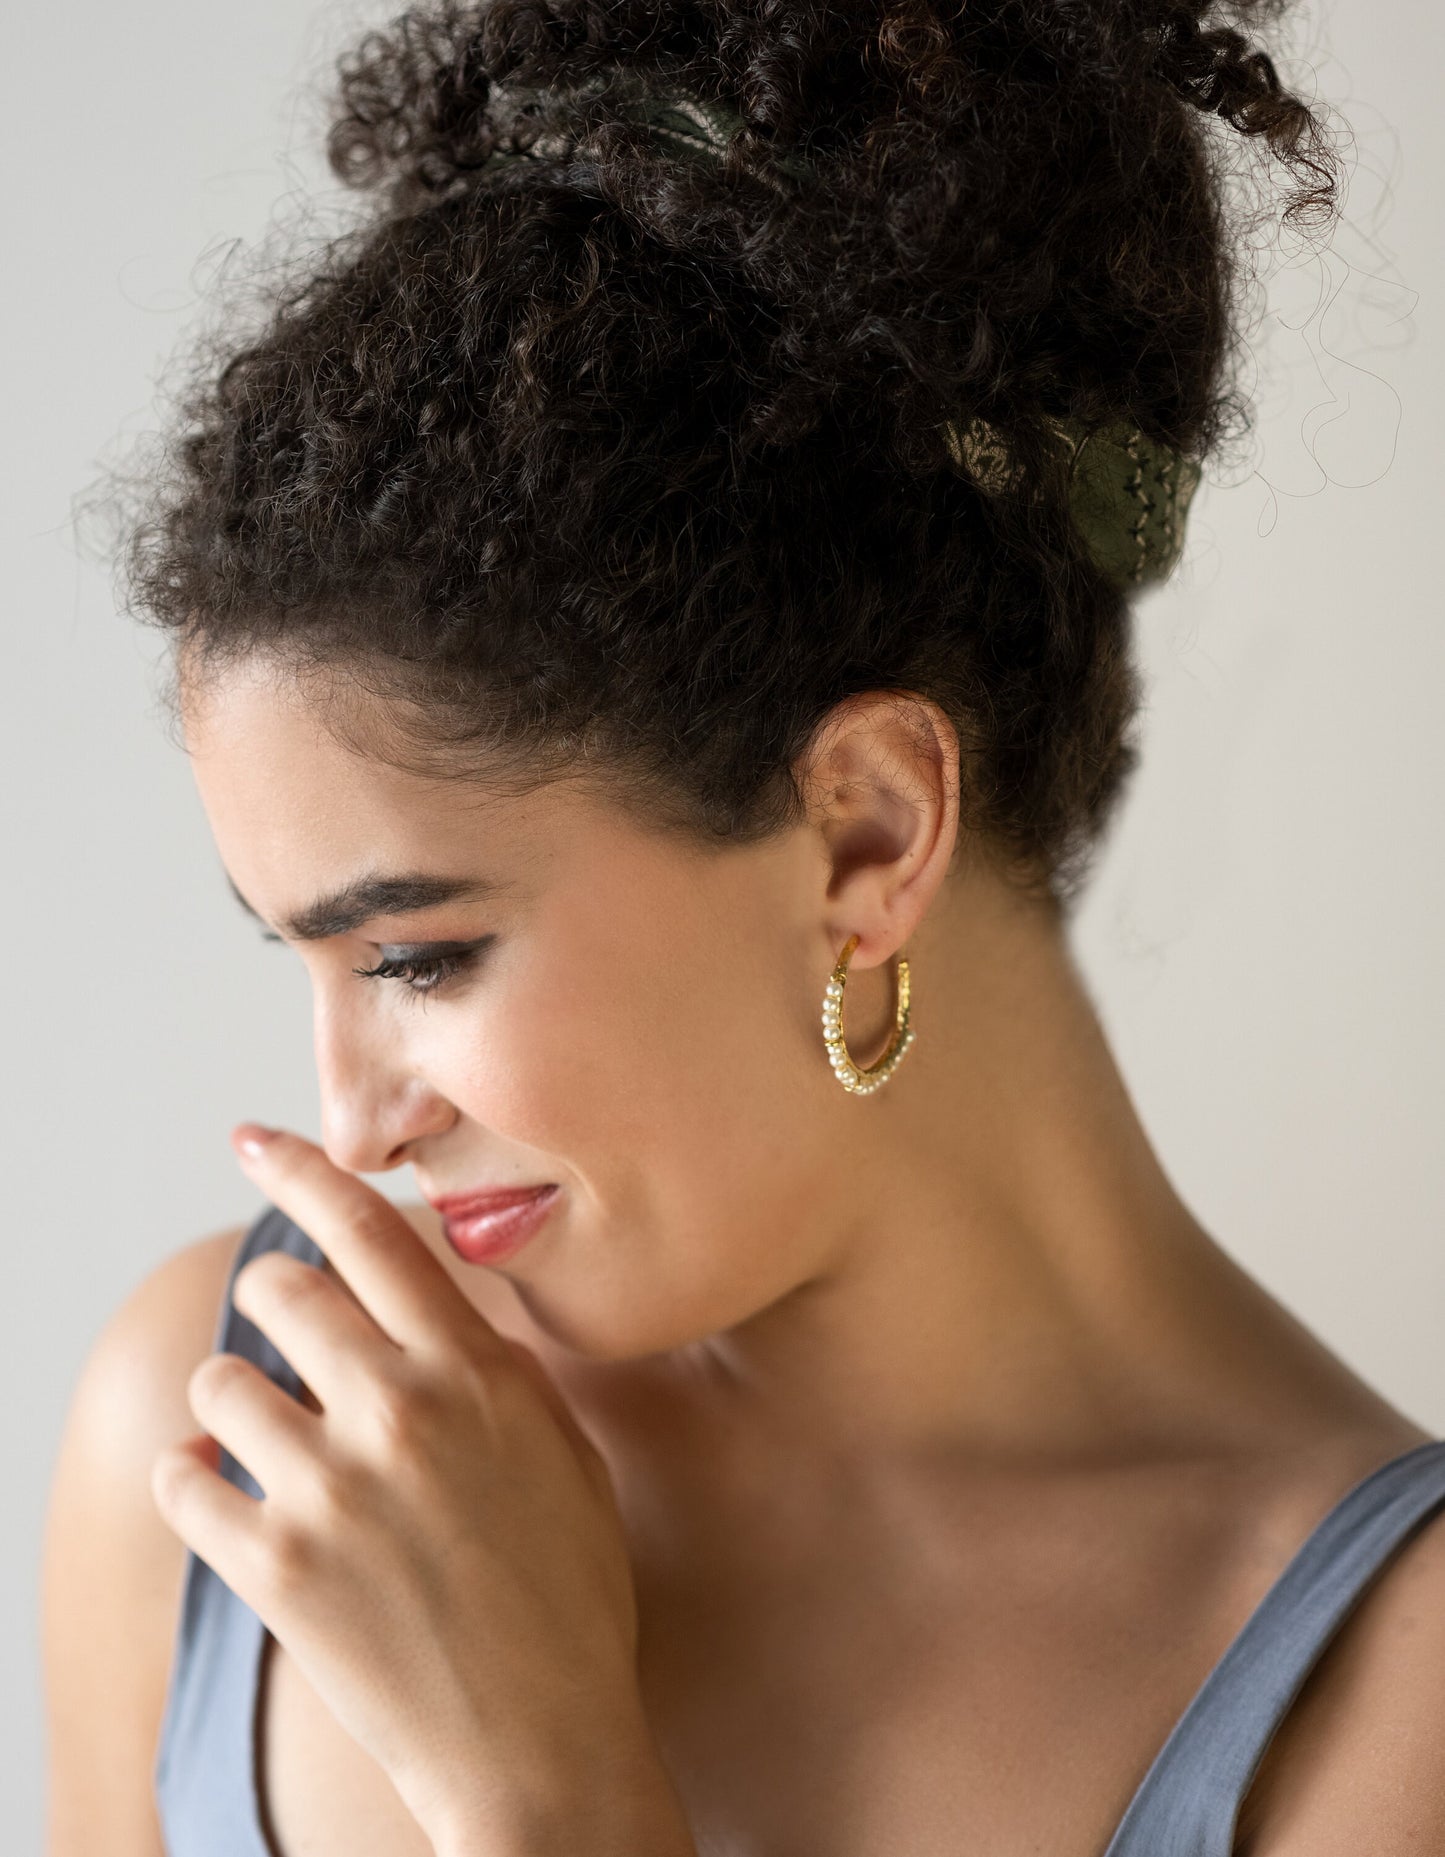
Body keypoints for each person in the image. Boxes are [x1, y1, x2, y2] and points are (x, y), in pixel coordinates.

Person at [40, 3, 1445, 1855]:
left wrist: (546, 1798)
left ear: (863, 831)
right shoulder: (234, 1444)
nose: (350, 1118)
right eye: (292, 955)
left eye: (419, 956)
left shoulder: (1395, 1704)